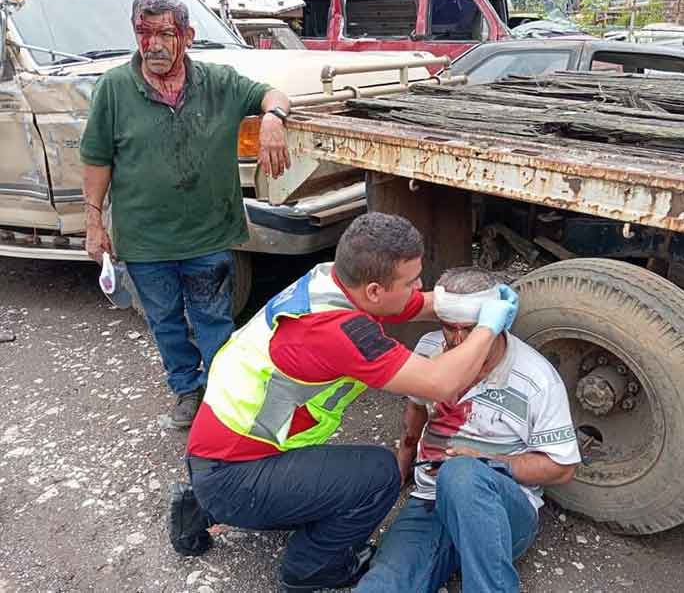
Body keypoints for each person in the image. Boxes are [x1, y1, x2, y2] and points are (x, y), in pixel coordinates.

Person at [172, 213, 520, 593]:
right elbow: (440, 383)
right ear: (373, 290)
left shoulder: (330, 282)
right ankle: (310, 570)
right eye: (412, 280)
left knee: (323, 478)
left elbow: (417, 305)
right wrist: (488, 327)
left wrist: (475, 304)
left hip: (218, 452)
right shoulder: (334, 332)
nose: (421, 287)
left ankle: (202, 506)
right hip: (235, 473)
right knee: (377, 474)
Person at [79, 0, 292, 427]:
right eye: (143, 33)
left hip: (208, 234)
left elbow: (273, 94)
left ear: (188, 36)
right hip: (145, 240)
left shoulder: (219, 82)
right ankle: (186, 390)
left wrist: (274, 119)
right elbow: (97, 158)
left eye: (164, 33)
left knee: (214, 319)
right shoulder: (114, 88)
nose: (153, 44)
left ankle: (220, 395)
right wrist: (94, 222)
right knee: (166, 323)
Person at [356, 266, 581, 593]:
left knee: (462, 474)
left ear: (496, 323)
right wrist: (405, 454)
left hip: (501, 512)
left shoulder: (537, 380)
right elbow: (418, 404)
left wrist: (490, 464)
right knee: (379, 587)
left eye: (471, 329)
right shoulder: (430, 348)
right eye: (450, 328)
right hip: (431, 501)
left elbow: (563, 468)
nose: (459, 341)